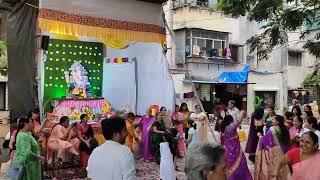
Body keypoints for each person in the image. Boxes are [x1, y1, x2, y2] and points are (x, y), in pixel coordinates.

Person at [255, 115, 291, 180]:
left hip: (275, 151)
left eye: (274, 119)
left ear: (278, 122)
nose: (272, 120)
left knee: (275, 166)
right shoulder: (285, 128)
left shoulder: (272, 129)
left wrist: (260, 136)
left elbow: (265, 140)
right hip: (285, 149)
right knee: (283, 167)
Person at [220, 111, 252, 180]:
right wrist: (242, 111)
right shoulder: (231, 128)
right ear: (231, 121)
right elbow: (239, 120)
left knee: (229, 168)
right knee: (240, 166)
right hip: (236, 152)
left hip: (227, 152)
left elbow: (221, 142)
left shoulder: (223, 129)